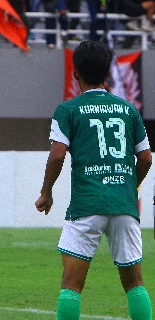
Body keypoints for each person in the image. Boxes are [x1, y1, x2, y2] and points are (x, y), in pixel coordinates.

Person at [35, 41, 152, 320]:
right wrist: (128, 185)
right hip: (124, 203)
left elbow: (56, 156)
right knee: (134, 283)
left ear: (76, 74)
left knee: (72, 285)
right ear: (107, 74)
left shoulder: (68, 110)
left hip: (87, 204)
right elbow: (146, 158)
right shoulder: (129, 110)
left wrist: (46, 192)